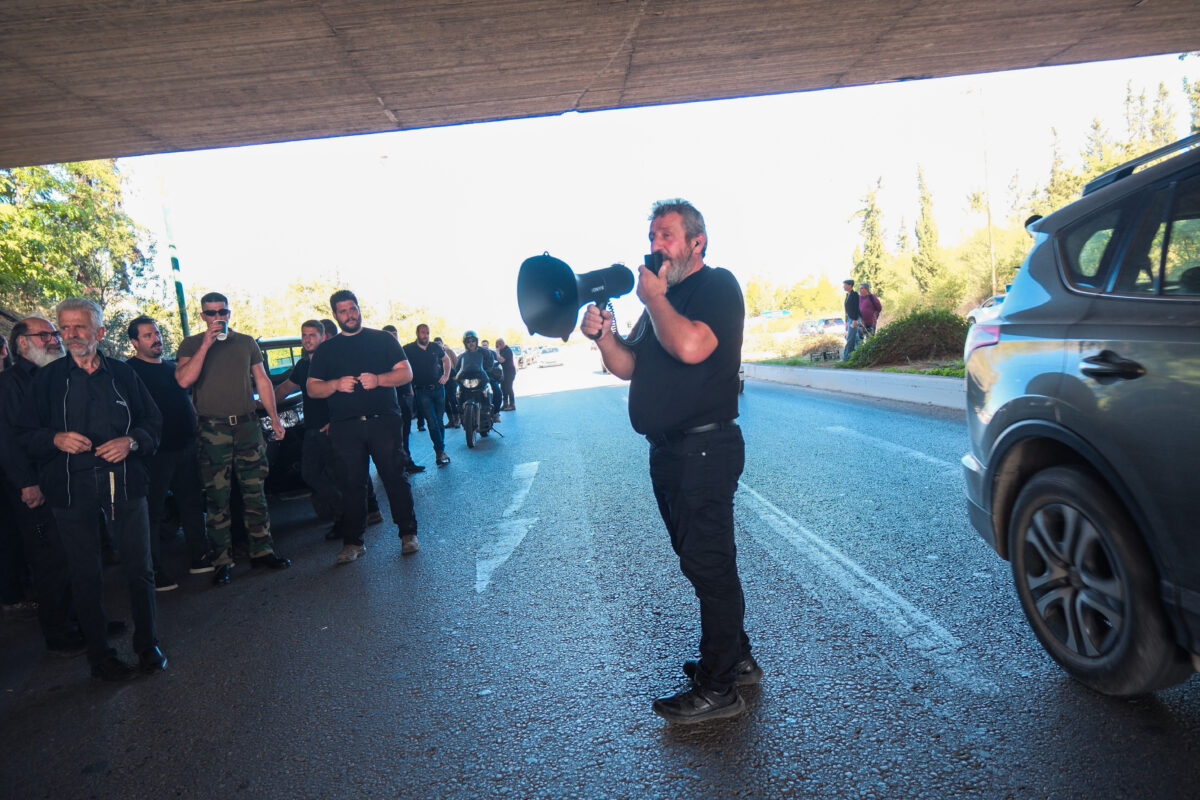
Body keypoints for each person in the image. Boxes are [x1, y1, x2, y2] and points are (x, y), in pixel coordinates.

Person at [581, 198, 757, 725]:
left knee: (710, 562)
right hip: (670, 453)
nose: (656, 245)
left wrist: (655, 299)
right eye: (653, 235)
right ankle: (736, 657)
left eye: (667, 236)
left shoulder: (715, 287)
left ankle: (719, 687)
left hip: (705, 447)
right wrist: (604, 335)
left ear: (695, 242)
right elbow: (628, 367)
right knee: (697, 559)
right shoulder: (661, 300)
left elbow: (691, 347)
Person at [17, 298, 167, 681]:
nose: (69, 336)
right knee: (85, 574)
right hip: (71, 490)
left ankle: (148, 646)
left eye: (79, 327)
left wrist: (131, 442)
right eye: (64, 328)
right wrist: (55, 439)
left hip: (126, 483)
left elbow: (153, 421)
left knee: (140, 569)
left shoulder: (122, 374)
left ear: (99, 332)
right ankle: (100, 658)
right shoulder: (47, 381)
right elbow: (25, 436)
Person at [175, 292, 291, 586]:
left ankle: (262, 551)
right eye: (211, 313)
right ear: (202, 316)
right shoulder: (191, 344)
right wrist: (206, 343)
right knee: (217, 498)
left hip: (247, 426)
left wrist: (274, 419)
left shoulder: (246, 342)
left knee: (255, 492)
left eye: (222, 312)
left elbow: (262, 380)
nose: (218, 317)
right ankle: (221, 560)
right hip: (212, 430)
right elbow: (184, 380)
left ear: (229, 312)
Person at [307, 290, 420, 563]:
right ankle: (353, 542)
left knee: (394, 477)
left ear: (359, 309)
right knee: (351, 484)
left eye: (353, 308)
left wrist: (379, 379)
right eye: (343, 311)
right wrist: (335, 385)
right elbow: (312, 388)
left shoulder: (381, 339)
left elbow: (406, 373)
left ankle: (408, 534)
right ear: (335, 315)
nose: (349, 315)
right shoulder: (326, 350)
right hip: (345, 427)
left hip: (384, 422)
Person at [0, 317, 80, 655]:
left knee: (74, 556)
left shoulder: (57, 375)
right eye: (44, 334)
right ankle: (59, 634)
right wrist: (28, 484)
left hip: (65, 480)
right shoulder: (9, 385)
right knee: (50, 561)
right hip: (35, 487)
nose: (54, 339)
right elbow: (9, 441)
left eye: (54, 334)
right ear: (21, 344)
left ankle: (86, 621)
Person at [273, 320, 384, 540]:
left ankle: (351, 518)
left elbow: (351, 392)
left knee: (344, 474)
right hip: (312, 430)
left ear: (323, 337)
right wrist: (262, 405)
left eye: (312, 335)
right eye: (304, 335)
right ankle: (348, 511)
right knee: (310, 473)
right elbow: (285, 389)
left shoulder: (333, 363)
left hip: (336, 429)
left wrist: (336, 421)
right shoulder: (303, 365)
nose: (307, 339)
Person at [126, 316, 213, 589]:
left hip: (185, 447)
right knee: (151, 512)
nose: (156, 339)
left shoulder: (171, 368)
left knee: (192, 505)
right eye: (148, 335)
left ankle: (200, 557)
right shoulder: (129, 371)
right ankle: (153, 571)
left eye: (157, 333)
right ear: (135, 342)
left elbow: (185, 401)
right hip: (155, 453)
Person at [403, 324, 452, 467]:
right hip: (421, 390)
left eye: (428, 333)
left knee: (439, 420)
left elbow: (447, 360)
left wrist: (446, 376)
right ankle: (440, 450)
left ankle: (440, 450)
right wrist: (409, 387)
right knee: (431, 422)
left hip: (438, 389)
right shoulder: (408, 349)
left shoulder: (435, 347)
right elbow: (403, 366)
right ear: (417, 333)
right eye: (423, 333)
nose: (426, 335)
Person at [436, 337, 460, 429]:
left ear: (442, 343)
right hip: (441, 380)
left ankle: (457, 419)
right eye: (436, 343)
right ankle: (451, 420)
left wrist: (456, 376)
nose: (438, 345)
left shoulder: (449, 351)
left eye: (439, 343)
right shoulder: (434, 354)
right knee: (445, 401)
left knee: (453, 399)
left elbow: (457, 364)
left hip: (451, 378)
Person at [480, 339, 503, 419]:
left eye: (485, 345)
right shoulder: (477, 354)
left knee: (498, 392)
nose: (484, 346)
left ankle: (496, 413)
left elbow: (497, 364)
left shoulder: (492, 353)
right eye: (483, 345)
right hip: (478, 378)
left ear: (488, 345)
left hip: (490, 377)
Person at [842, 278, 862, 360]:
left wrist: (855, 320)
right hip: (849, 318)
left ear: (850, 285)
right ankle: (855, 356)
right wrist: (846, 321)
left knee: (850, 338)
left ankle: (845, 357)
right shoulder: (847, 295)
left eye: (845, 285)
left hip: (854, 319)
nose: (843, 287)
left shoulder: (855, 295)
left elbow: (857, 308)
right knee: (855, 338)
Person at [495, 338, 517, 411]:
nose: (496, 347)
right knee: (503, 388)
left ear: (501, 344)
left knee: (508, 387)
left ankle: (512, 405)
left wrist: (497, 352)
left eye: (497, 345)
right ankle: (505, 404)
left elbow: (501, 360)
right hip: (503, 372)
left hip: (510, 372)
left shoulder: (507, 350)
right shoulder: (502, 350)